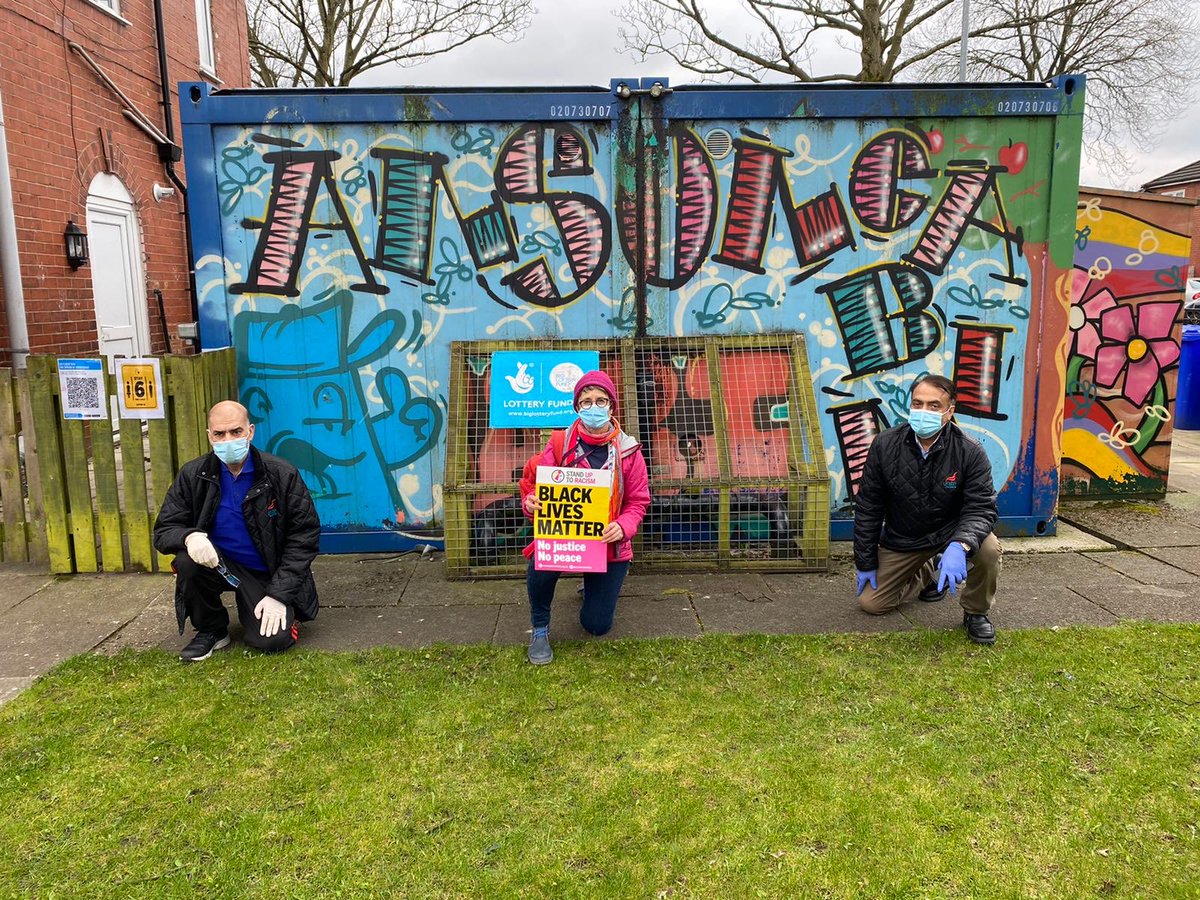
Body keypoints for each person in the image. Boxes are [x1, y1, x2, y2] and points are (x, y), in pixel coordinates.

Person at [153, 400, 321, 661]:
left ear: (250, 432)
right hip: (218, 564)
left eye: (236, 432)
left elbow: (304, 536)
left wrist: (279, 594)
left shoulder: (281, 474)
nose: (228, 439)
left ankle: (281, 611)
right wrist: (189, 536)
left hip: (267, 570)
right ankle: (212, 629)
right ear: (209, 436)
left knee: (272, 641)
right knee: (187, 561)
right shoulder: (193, 474)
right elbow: (164, 529)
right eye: (219, 434)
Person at [853, 373, 1002, 644]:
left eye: (934, 406)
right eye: (917, 403)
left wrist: (961, 545)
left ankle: (976, 612)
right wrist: (865, 561)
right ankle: (923, 572)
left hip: (951, 533)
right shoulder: (885, 445)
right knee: (871, 603)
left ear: (949, 411)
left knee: (989, 549)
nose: (924, 411)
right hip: (905, 537)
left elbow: (982, 508)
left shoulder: (970, 451)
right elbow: (868, 506)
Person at [518, 370, 651, 665]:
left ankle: (591, 586)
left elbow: (638, 502)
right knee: (541, 559)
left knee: (596, 626)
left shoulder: (629, 452)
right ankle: (540, 628)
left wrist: (623, 526)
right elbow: (537, 496)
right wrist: (531, 504)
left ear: (612, 406)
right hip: (564, 539)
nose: (594, 407)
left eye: (601, 400)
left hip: (608, 545)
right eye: (586, 401)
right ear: (577, 407)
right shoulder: (559, 444)